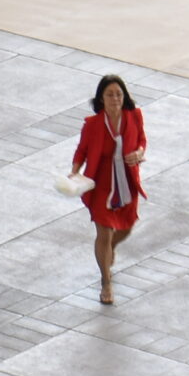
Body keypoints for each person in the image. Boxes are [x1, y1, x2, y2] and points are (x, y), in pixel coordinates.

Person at [72, 74, 147, 307]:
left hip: (125, 180)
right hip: (101, 183)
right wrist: (75, 172)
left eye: (118, 94)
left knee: (127, 225)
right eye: (109, 94)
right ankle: (106, 281)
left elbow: (142, 140)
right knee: (103, 233)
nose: (115, 98)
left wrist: (139, 153)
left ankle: (111, 247)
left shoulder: (134, 116)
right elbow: (82, 150)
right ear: (101, 99)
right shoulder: (93, 124)